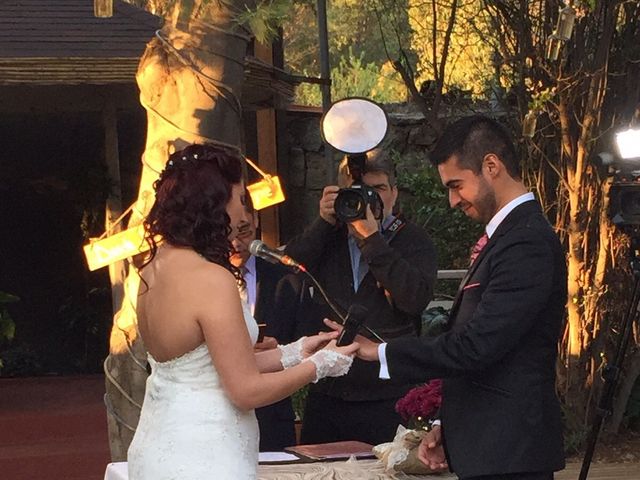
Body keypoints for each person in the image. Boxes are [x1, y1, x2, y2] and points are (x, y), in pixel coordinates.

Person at [327, 115, 567, 479]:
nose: (453, 200)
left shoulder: (526, 241)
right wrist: (449, 426)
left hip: (510, 453)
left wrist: (380, 351)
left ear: (491, 166)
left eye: (457, 185)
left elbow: (477, 346)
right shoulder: (508, 237)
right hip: (490, 447)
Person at [127, 143, 358, 480]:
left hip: (160, 442)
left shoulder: (154, 266)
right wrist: (319, 366)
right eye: (240, 200)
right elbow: (245, 390)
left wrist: (295, 352)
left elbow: (206, 365)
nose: (244, 212)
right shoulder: (211, 278)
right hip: (205, 456)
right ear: (214, 203)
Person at [284, 149, 438, 445]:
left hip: (387, 393)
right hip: (328, 390)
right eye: (358, 191)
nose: (370, 199)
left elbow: (413, 299)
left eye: (378, 189)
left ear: (394, 193)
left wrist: (372, 240)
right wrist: (322, 223)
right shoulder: (329, 237)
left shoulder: (413, 240)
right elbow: (289, 271)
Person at [230, 191, 297, 451]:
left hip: (273, 414)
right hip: (223, 413)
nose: (235, 242)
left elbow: (303, 334)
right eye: (228, 233)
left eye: (244, 232)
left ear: (255, 220)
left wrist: (279, 347)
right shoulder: (203, 280)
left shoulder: (285, 276)